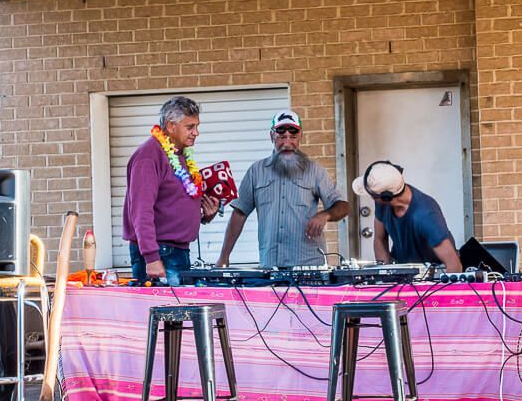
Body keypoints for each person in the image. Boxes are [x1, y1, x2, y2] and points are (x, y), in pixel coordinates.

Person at [216, 110, 350, 268]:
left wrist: (325, 215)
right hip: (271, 265)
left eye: (293, 137)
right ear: (272, 136)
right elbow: (239, 213)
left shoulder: (315, 171)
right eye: (281, 137)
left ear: (300, 136)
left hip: (308, 265)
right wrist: (224, 256)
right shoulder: (256, 171)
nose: (287, 143)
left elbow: (343, 206)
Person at [123, 96, 219, 283]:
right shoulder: (149, 156)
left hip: (176, 251)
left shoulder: (179, 154)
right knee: (169, 312)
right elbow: (141, 211)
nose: (196, 132)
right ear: (170, 125)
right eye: (190, 127)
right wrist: (151, 257)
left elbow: (172, 204)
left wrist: (204, 215)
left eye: (197, 126)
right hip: (161, 254)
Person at [352, 160, 463, 273]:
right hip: (403, 271)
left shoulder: (426, 216)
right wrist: (386, 275)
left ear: (386, 197)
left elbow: (454, 266)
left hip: (433, 275)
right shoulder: (382, 203)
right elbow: (380, 239)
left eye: (372, 196)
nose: (371, 199)